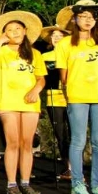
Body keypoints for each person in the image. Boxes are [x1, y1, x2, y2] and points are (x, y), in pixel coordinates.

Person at [55, 0, 98, 194]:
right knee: (78, 141)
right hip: (77, 96)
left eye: (92, 17)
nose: (88, 20)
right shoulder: (65, 44)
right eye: (83, 16)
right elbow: (63, 76)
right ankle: (77, 184)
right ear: (75, 19)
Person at [0, 11, 46, 194]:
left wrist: (36, 90)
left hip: (30, 102)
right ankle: (12, 184)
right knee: (12, 142)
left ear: (25, 31)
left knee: (26, 143)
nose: (14, 32)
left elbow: (41, 79)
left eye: (18, 28)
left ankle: (26, 183)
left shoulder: (34, 53)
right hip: (9, 102)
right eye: (9, 30)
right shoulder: (2, 52)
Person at [40, 25, 72, 179]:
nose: (56, 37)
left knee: (74, 135)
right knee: (61, 135)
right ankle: (68, 167)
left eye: (60, 35)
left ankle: (77, 169)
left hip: (73, 98)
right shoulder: (44, 57)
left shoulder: (72, 54)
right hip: (54, 98)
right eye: (54, 35)